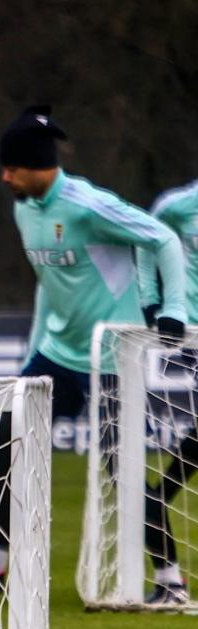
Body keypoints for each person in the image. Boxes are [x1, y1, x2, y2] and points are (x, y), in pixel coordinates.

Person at [0, 106, 188, 598]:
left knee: (120, 471)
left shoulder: (87, 205)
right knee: (8, 433)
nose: (4, 177)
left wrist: (171, 308)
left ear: (37, 165)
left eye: (12, 168)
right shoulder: (24, 208)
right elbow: (50, 283)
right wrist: (34, 351)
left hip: (108, 360)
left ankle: (170, 580)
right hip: (57, 354)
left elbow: (162, 238)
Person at [136, 179, 198, 603]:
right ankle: (160, 496)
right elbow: (145, 239)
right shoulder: (178, 206)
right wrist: (153, 300)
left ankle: (160, 495)